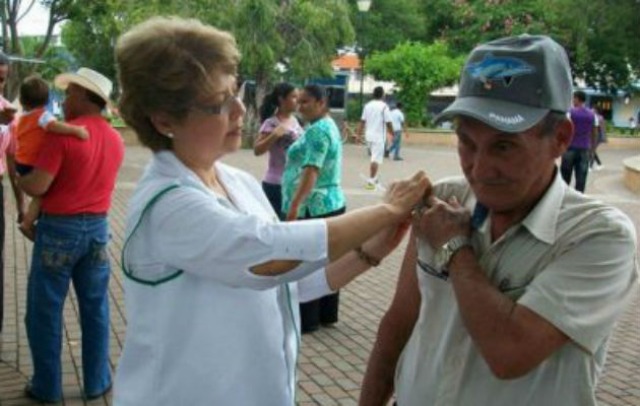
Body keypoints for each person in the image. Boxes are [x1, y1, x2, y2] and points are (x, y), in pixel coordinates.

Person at [112, 17, 430, 406]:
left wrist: (374, 249)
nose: (239, 109)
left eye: (236, 92)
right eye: (218, 104)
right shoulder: (166, 203)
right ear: (164, 120)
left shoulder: (236, 182)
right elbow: (271, 254)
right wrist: (387, 209)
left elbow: (287, 283)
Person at [360, 35, 638, 406]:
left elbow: (510, 352)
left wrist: (455, 249)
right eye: (467, 143)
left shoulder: (599, 237)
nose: (479, 167)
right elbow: (399, 323)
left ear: (560, 138)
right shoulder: (445, 199)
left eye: (503, 146)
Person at [18, 67, 125, 403]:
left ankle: (47, 387)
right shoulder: (115, 137)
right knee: (95, 308)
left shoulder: (63, 134)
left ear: (82, 95)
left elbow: (39, 185)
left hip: (59, 230)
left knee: (44, 311)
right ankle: (97, 382)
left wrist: (19, 176)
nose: (64, 99)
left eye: (70, 93)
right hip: (97, 229)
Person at [282, 84, 346, 334]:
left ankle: (308, 319)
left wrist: (295, 206)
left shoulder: (319, 131)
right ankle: (327, 314)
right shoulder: (324, 125)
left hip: (315, 207)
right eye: (299, 101)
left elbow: (311, 171)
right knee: (326, 261)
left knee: (308, 263)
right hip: (329, 203)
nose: (300, 106)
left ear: (321, 103)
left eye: (306, 102)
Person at [15, 74, 89, 240]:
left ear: (22, 100)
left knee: (39, 194)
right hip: (32, 163)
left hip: (22, 162)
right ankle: (27, 224)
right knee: (43, 194)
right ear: (47, 99)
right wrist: (76, 131)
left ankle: (29, 221)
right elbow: (54, 126)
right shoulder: (42, 115)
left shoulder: (23, 118)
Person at [0, 51, 25, 333]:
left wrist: (22, 206)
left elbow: (13, 161)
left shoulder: (8, 112)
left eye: (2, 80)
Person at [253, 82, 303, 217]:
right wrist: (274, 135)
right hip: (276, 185)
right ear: (281, 99)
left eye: (298, 97)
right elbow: (257, 150)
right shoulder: (271, 123)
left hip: (295, 184)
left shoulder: (297, 121)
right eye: (293, 97)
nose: (297, 100)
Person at [356, 86, 393, 190]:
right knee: (375, 159)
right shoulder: (384, 106)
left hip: (369, 136)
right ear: (382, 95)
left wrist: (358, 135)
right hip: (378, 136)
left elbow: (362, 121)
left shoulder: (367, 106)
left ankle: (375, 179)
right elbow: (388, 122)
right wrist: (392, 132)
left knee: (374, 157)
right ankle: (371, 182)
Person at [560, 90, 597, 193]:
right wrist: (592, 150)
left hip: (570, 147)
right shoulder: (592, 114)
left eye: (573, 98)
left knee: (565, 177)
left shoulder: (569, 113)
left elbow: (563, 129)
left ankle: (564, 198)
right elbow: (594, 133)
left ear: (577, 99)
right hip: (584, 148)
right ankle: (578, 199)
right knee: (581, 178)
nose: (572, 101)